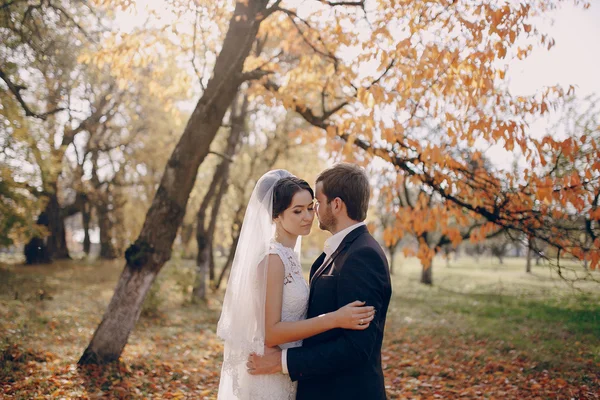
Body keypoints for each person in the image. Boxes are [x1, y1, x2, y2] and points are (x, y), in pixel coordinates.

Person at [216, 169, 375, 400]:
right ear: (276, 216)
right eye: (297, 211)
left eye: (310, 207)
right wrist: (336, 318)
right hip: (269, 377)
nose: (308, 217)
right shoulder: (273, 259)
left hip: (288, 372)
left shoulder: (288, 256)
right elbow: (271, 333)